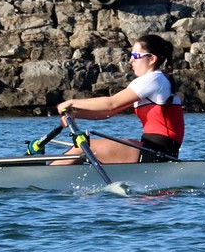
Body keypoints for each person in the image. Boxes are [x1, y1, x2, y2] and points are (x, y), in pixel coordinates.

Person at [53, 34, 184, 165]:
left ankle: (45, 178)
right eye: (131, 55)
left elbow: (111, 103)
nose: (131, 60)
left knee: (83, 146)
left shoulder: (153, 79)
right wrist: (75, 114)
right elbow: (107, 113)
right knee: (85, 148)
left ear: (152, 59)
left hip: (158, 152)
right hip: (158, 150)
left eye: (136, 56)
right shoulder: (155, 81)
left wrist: (71, 102)